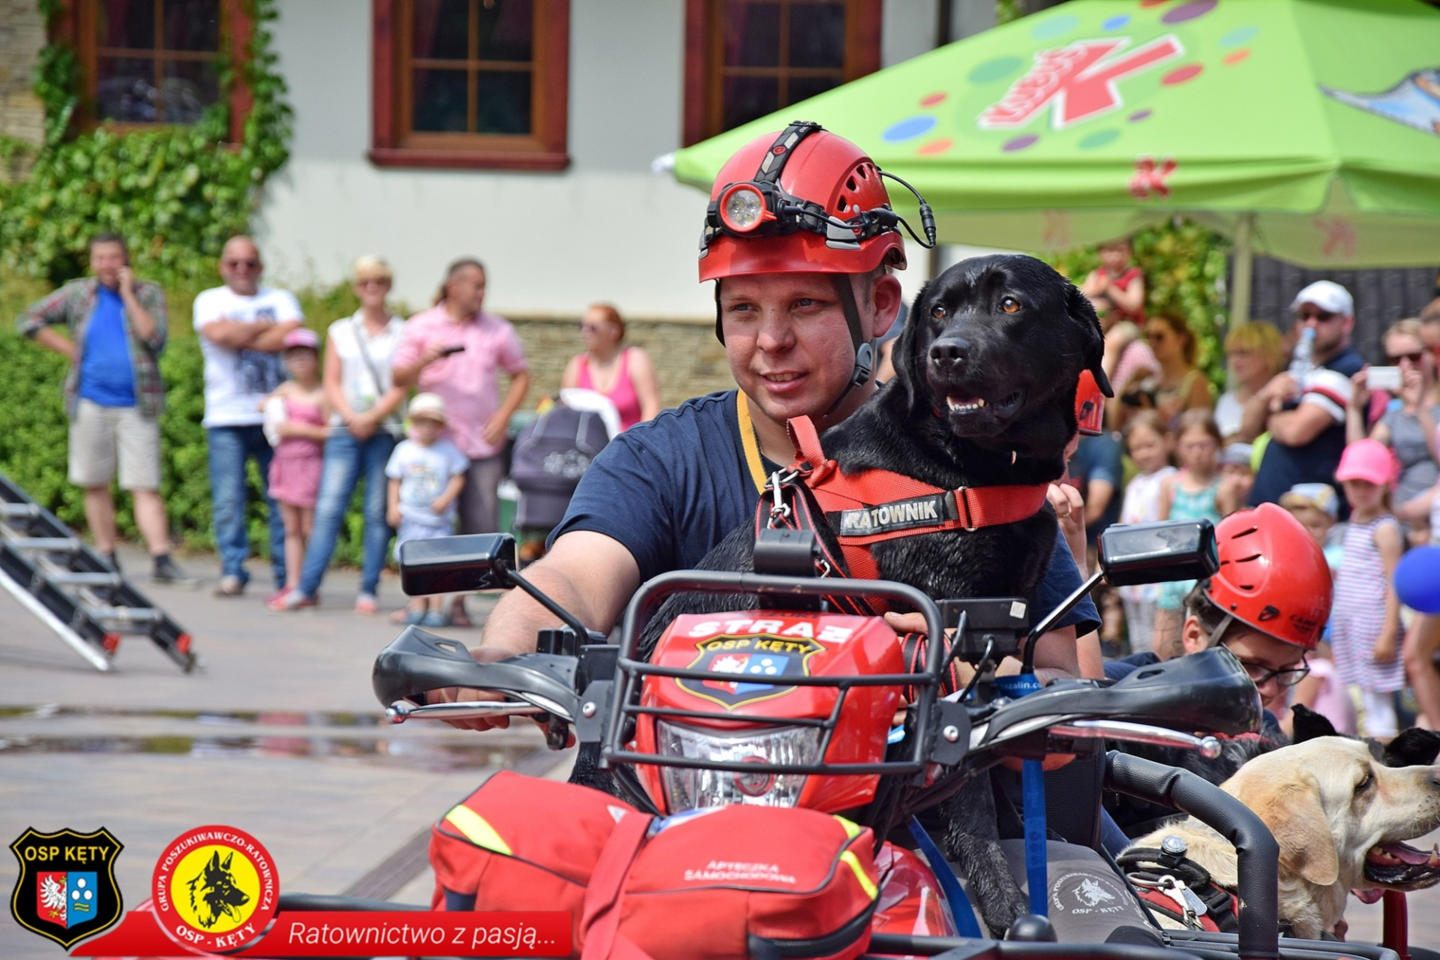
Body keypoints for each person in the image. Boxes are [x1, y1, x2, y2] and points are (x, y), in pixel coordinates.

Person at [440, 123, 1098, 728]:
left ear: (880, 305)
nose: (771, 340)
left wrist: (974, 677)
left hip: (915, 827)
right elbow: (576, 577)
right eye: (745, 308)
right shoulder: (659, 459)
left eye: (806, 304)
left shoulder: (979, 464)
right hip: (682, 800)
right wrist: (503, 652)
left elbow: (1073, 680)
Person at [15, 233, 192, 583]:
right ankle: (107, 554)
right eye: (100, 258)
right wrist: (69, 351)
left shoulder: (147, 294)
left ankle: (160, 557)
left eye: (114, 258)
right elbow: (29, 320)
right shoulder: (79, 294)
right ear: (92, 262)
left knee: (145, 483)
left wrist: (127, 295)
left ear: (125, 260)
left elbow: (154, 339)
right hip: (90, 400)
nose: (107, 265)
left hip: (137, 403)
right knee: (94, 481)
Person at [391, 258, 531, 625]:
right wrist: (426, 359)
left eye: (485, 286)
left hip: (480, 446)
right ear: (454, 286)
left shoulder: (496, 329)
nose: (482, 293)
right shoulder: (422, 326)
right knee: (430, 526)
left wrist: (502, 418)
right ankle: (422, 603)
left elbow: (520, 375)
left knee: (478, 527)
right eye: (476, 285)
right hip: (434, 448)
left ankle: (457, 604)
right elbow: (398, 376)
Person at [279, 256, 407, 615]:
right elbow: (332, 381)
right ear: (356, 287)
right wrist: (352, 416)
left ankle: (368, 588)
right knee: (329, 507)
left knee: (376, 510)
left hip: (384, 427)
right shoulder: (340, 330)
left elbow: (402, 384)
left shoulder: (403, 331)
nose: (372, 289)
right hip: (344, 427)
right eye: (365, 282)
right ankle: (306, 586)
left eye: (379, 282)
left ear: (388, 286)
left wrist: (372, 416)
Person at [193, 236, 302, 598]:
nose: (242, 270)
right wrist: (264, 328)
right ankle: (233, 570)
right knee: (229, 499)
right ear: (223, 266)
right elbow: (219, 334)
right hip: (226, 416)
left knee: (281, 499)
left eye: (250, 263)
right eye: (234, 263)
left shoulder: (281, 298)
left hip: (274, 416)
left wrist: (240, 333)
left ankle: (286, 575)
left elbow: (287, 337)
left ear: (261, 266)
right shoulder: (209, 300)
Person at [1245, 280, 1365, 510]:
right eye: (1304, 315)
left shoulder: (1348, 369)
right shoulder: (1298, 367)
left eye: (1323, 316)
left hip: (1311, 516)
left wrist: (1271, 417)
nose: (1312, 323)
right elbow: (1247, 430)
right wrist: (1265, 395)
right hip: (1274, 508)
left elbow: (1295, 432)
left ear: (1347, 322)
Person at [1330, 438, 1406, 737]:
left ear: (1385, 484)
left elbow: (1394, 581)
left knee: (1377, 699)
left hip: (1374, 622)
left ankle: (1384, 753)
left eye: (1368, 484)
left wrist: (1389, 632)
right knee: (1360, 692)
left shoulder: (1385, 527)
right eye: (1354, 483)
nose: (1360, 491)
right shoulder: (1356, 519)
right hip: (1351, 619)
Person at [1347, 318, 1439, 537]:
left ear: (1431, 354)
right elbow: (1363, 461)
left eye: (1414, 356)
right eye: (1395, 359)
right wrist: (1354, 408)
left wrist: (1419, 409)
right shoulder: (1395, 410)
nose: (1405, 365)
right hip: (1401, 517)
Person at [1277, 482, 1355, 738]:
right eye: (1299, 525)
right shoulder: (1287, 557)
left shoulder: (1336, 557)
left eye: (1315, 524)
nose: (1306, 532)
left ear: (1332, 522)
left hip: (1333, 642)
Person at [385, 393, 468, 627]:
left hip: (438, 521)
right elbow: (394, 480)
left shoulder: (447, 451)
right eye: (422, 422)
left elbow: (458, 477)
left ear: (440, 426)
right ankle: (417, 605)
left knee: (438, 565)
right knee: (412, 565)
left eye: (432, 423)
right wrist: (393, 507)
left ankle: (436, 608)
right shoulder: (404, 449)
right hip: (411, 519)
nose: (427, 428)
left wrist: (445, 499)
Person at [262, 329, 329, 611]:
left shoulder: (324, 393)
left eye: (305, 355)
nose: (300, 361)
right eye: (294, 356)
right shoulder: (286, 389)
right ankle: (291, 583)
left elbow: (331, 431)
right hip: (284, 464)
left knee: (310, 528)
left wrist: (299, 429)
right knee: (290, 528)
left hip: (310, 464)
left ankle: (309, 585)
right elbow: (264, 406)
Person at [1153, 411, 1224, 657]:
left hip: (1206, 578)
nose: (1197, 451)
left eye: (1204, 444)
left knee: (1200, 645)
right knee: (1164, 644)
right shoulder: (1170, 484)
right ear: (1178, 446)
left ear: (1217, 444)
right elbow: (1160, 530)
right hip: (1173, 574)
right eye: (1190, 445)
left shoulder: (1222, 487)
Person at [1115, 411, 1176, 654]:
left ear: (1167, 441)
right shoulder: (1135, 483)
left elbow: (1164, 521)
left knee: (1157, 634)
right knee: (1137, 633)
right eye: (1136, 448)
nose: (1143, 453)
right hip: (1133, 568)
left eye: (1150, 445)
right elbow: (1123, 521)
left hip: (1156, 568)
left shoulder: (1169, 479)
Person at [560, 303, 661, 431]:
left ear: (614, 331)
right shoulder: (576, 365)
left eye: (593, 327)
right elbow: (564, 412)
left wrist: (639, 442)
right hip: (587, 447)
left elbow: (651, 407)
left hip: (629, 445)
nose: (585, 331)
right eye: (581, 326)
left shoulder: (635, 359)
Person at [1214, 321, 1285, 443]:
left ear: (1268, 354)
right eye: (1231, 354)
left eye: (1243, 353)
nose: (1235, 361)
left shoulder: (1285, 398)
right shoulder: (1226, 401)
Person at [1139, 314, 1213, 424]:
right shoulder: (1146, 378)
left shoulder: (1196, 382)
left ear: (1180, 339)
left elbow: (1199, 430)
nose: (1152, 342)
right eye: (1148, 336)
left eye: (1159, 337)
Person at [1080, 236, 1146, 326]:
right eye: (1110, 250)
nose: (1116, 256)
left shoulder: (1133, 275)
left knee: (1114, 338)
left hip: (1128, 323)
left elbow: (1134, 306)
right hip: (1103, 323)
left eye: (1120, 250)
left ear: (1130, 252)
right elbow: (1081, 296)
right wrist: (1096, 288)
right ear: (1100, 252)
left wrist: (1109, 287)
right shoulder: (1096, 275)